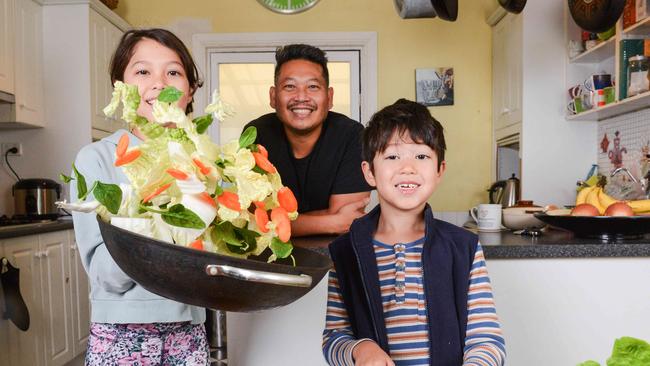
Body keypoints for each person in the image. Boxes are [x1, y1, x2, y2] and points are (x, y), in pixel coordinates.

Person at [322, 99, 506, 366]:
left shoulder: (463, 247)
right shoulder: (345, 251)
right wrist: (360, 349)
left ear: (440, 170)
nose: (407, 168)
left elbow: (487, 340)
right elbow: (334, 338)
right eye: (392, 156)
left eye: (421, 156)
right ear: (369, 172)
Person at [71, 28, 209, 365]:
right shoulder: (96, 159)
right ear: (122, 87)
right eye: (143, 71)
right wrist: (159, 217)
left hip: (189, 329)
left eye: (173, 72)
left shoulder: (205, 161)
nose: (159, 83)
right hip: (121, 330)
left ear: (189, 92)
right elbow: (105, 273)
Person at [244, 44, 372, 236]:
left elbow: (348, 222)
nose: (301, 97)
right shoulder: (256, 133)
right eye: (289, 86)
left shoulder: (352, 135)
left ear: (329, 98)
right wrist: (330, 221)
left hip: (336, 256)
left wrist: (280, 220)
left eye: (313, 86)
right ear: (273, 97)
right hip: (268, 258)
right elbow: (255, 218)